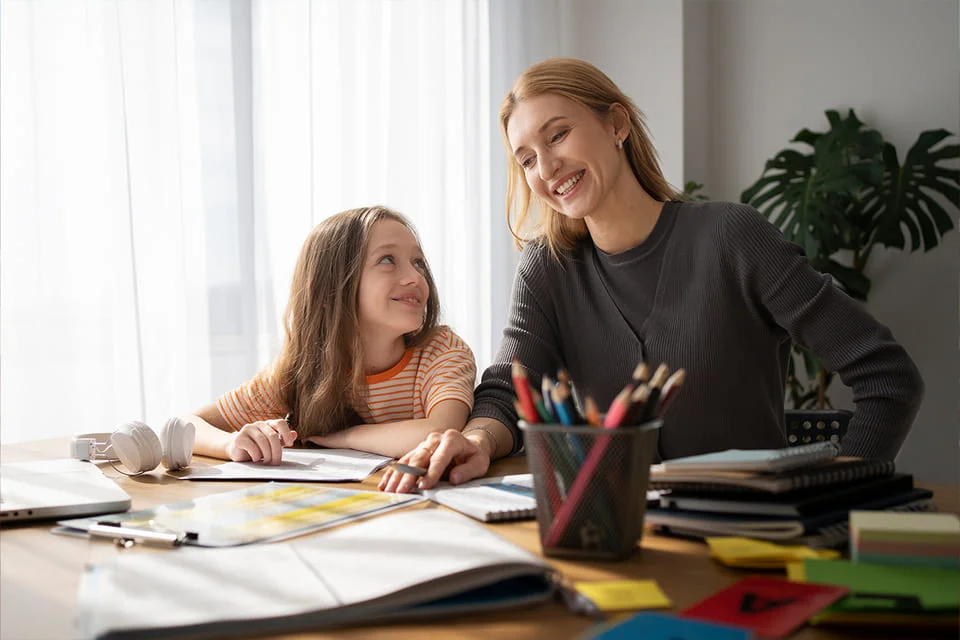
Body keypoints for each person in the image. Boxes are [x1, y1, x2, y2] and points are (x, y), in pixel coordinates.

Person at [379, 57, 924, 494]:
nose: (545, 168)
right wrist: (477, 439)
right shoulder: (547, 266)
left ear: (616, 124)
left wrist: (841, 496)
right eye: (525, 159)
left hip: (751, 537)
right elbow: (508, 390)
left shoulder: (732, 237)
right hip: (614, 539)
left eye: (558, 135)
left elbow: (888, 375)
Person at [188, 205, 477, 464]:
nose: (415, 277)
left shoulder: (442, 351)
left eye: (418, 262)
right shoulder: (298, 370)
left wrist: (344, 438)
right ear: (327, 290)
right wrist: (232, 443)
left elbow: (441, 432)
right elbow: (186, 426)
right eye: (387, 260)